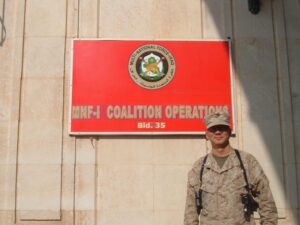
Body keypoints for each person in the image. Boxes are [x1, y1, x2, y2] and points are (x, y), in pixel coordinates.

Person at [184, 112, 278, 225]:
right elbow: (191, 212)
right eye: (213, 129)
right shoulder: (199, 168)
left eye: (222, 128)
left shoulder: (247, 162)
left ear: (229, 131)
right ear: (207, 134)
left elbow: (266, 201)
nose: (218, 132)